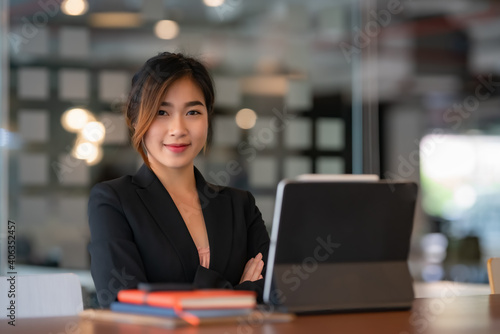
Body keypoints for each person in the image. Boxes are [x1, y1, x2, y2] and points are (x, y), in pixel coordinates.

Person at [88, 52, 270, 308]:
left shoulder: (240, 206)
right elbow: (124, 302)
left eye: (193, 112)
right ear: (136, 118)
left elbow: (275, 290)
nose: (178, 129)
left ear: (208, 118)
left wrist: (186, 296)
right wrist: (239, 291)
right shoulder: (114, 201)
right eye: (162, 112)